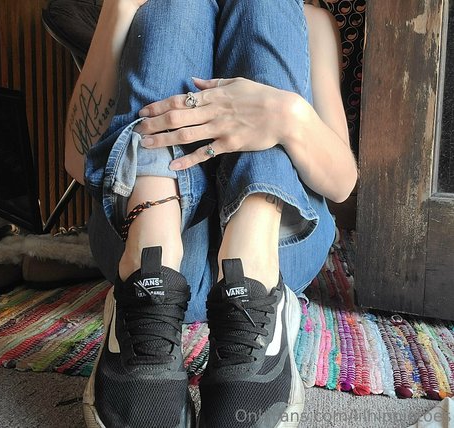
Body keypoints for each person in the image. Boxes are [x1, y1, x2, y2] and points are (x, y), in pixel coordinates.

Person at [64, 0, 357, 426]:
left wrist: (286, 116)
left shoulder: (306, 18)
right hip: (153, 236)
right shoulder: (144, 8)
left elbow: (342, 183)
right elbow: (79, 162)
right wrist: (119, 10)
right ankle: (150, 274)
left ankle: (251, 275)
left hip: (276, 245)